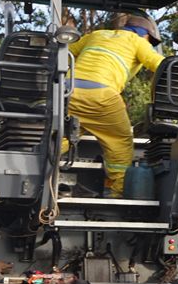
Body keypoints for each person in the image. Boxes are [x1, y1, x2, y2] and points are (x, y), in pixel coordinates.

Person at [68, 12, 164, 197]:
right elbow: (161, 66)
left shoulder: (96, 34)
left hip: (69, 93)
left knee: (61, 137)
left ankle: (41, 179)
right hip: (102, 96)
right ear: (144, 34)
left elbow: (66, 52)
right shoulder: (138, 42)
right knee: (120, 142)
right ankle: (117, 192)